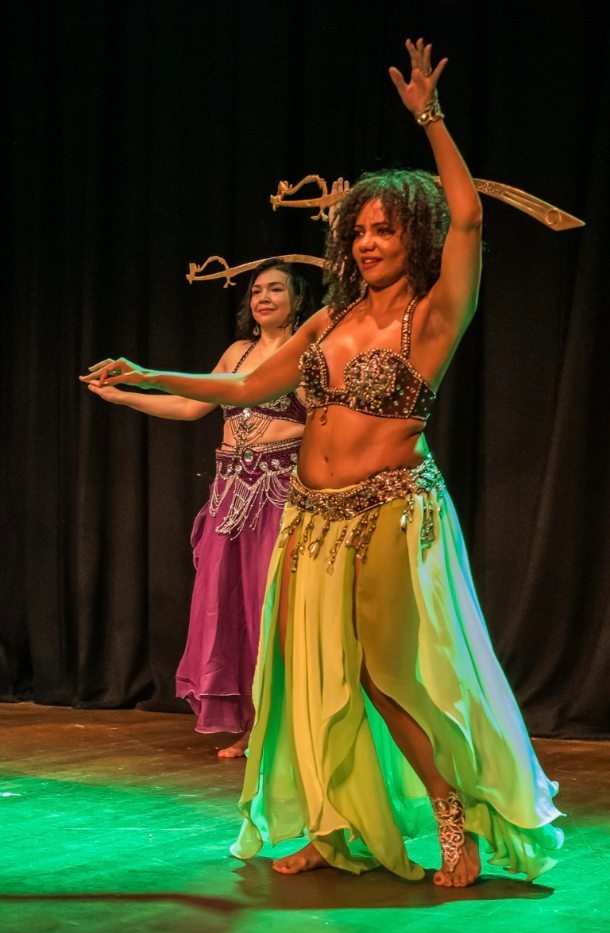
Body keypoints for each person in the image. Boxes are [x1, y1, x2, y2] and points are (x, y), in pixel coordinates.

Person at [83, 37, 563, 887]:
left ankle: (453, 818)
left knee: (386, 673)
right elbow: (248, 388)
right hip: (308, 514)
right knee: (310, 674)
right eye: (361, 230)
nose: (370, 241)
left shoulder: (437, 313)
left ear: (414, 234)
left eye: (385, 229)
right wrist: (147, 372)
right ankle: (330, 826)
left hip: (389, 507)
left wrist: (431, 120)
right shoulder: (332, 317)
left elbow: (472, 217)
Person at [86, 258, 317, 757]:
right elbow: (192, 406)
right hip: (230, 494)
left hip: (280, 493)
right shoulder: (237, 352)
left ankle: (290, 730)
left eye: (277, 290)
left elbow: (326, 422)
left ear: (299, 301)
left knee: (273, 611)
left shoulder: (309, 352)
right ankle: (255, 727)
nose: (264, 298)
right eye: (257, 291)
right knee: (229, 610)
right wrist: (123, 398)